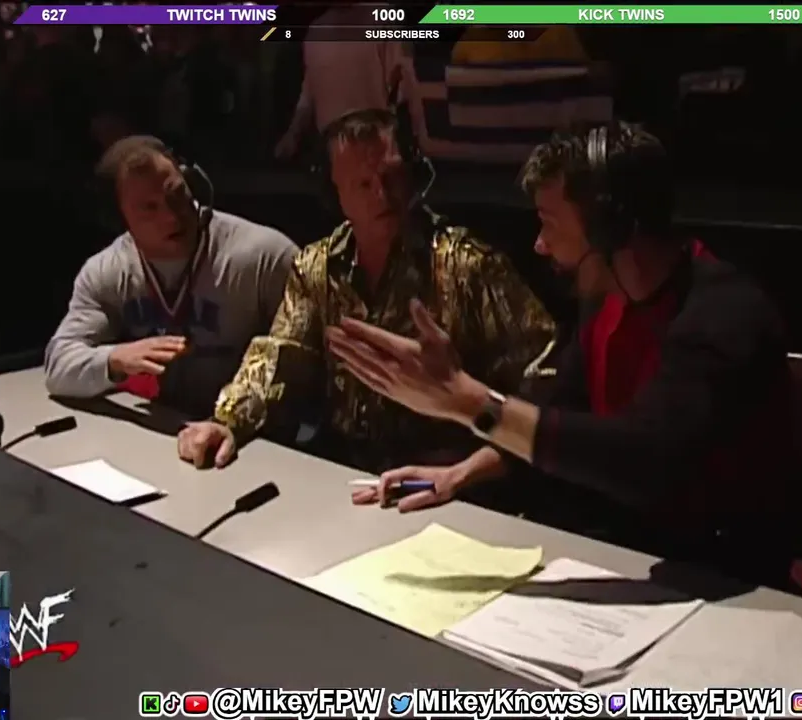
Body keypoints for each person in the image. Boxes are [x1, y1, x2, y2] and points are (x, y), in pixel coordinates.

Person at [330, 122, 797, 587]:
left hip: (726, 578)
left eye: (549, 221)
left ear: (610, 228)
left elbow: (647, 460)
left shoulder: (723, 315)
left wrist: (470, 403)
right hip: (626, 558)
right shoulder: (609, 303)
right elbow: (558, 413)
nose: (539, 243)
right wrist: (462, 473)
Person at [177, 109, 554, 472]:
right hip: (344, 468)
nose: (382, 195)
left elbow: (544, 379)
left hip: (442, 473)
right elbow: (281, 356)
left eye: (391, 177)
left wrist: (482, 462)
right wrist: (228, 421)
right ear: (335, 193)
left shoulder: (469, 266)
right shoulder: (317, 267)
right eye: (363, 184)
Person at [44, 136, 297, 415]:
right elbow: (58, 366)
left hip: (249, 432)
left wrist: (236, 422)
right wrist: (114, 359)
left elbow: (307, 369)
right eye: (149, 208)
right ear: (118, 219)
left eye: (176, 193)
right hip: (162, 430)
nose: (172, 217)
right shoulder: (106, 273)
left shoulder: (266, 258)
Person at [274, 8, 421, 159]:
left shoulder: (384, 19)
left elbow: (405, 83)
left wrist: (420, 137)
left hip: (375, 148)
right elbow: (309, 92)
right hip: (332, 152)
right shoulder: (316, 31)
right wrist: (292, 135)